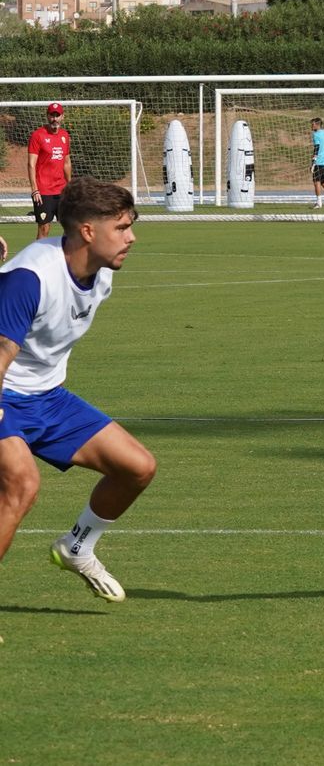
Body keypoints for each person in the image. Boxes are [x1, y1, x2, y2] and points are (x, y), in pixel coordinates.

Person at [0, 178, 157, 609]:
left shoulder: (100, 275)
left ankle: (76, 546)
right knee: (21, 485)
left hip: (46, 397)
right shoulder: (31, 277)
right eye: (122, 227)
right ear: (88, 231)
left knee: (137, 467)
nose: (131, 237)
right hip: (3, 394)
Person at [26, 102, 73, 240]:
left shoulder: (65, 136)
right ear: (47, 116)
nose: (55, 119)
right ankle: (38, 260)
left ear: (62, 117)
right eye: (52, 115)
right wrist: (35, 189)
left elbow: (66, 162)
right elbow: (31, 164)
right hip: (44, 191)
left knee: (71, 227)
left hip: (62, 190)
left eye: (57, 115)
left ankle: (63, 258)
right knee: (44, 228)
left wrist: (70, 186)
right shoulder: (37, 135)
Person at [309, 117, 324, 208]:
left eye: (312, 124)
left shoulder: (316, 134)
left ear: (317, 124)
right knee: (323, 182)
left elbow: (317, 148)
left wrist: (313, 162)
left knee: (317, 182)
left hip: (319, 162)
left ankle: (319, 203)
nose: (311, 126)